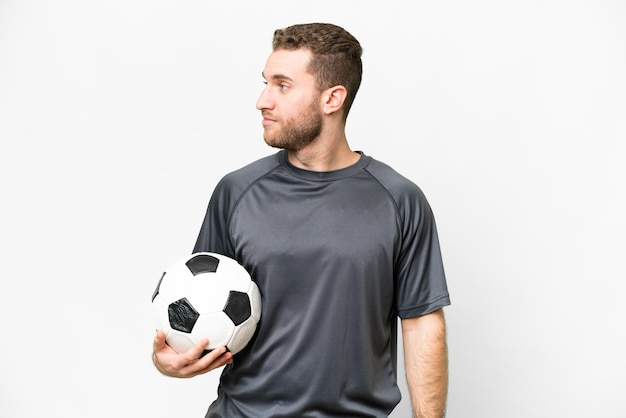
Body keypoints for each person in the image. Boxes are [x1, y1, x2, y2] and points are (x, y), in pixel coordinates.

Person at [152, 22, 451, 418]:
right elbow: (199, 305)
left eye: (282, 85)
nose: (262, 100)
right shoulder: (237, 191)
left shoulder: (399, 200)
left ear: (333, 98)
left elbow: (422, 326)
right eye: (265, 83)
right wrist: (167, 362)